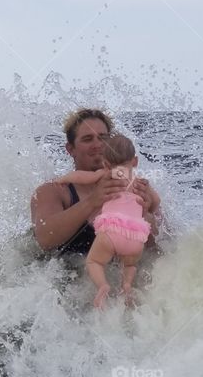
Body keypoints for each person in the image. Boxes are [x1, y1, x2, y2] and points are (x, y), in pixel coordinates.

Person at [31, 107, 160, 257]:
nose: (98, 145)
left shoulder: (136, 187)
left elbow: (162, 246)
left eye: (103, 138)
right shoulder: (53, 190)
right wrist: (92, 202)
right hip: (67, 275)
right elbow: (45, 239)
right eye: (87, 139)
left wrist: (144, 215)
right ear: (70, 149)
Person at [55, 132, 160, 308]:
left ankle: (103, 286)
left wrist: (64, 178)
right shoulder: (141, 182)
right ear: (135, 161)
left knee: (94, 261)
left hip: (111, 231)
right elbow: (156, 202)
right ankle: (126, 286)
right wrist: (148, 205)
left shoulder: (107, 174)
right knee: (130, 265)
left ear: (105, 163)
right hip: (136, 236)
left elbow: (81, 177)